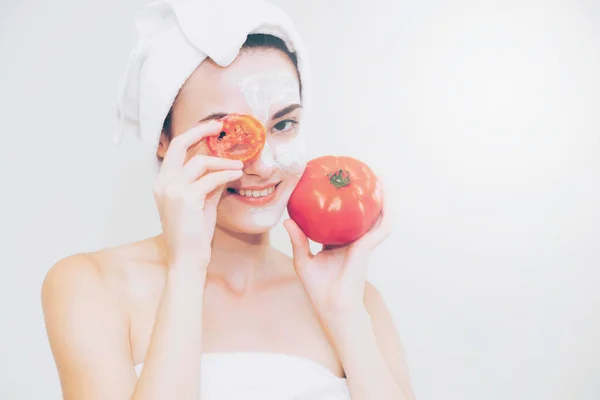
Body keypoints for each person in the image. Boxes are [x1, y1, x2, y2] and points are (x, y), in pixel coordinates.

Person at [41, 0, 415, 399]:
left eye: (284, 124)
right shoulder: (90, 285)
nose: (264, 165)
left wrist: (345, 315)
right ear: (163, 141)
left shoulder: (356, 299)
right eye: (224, 135)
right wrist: (186, 270)